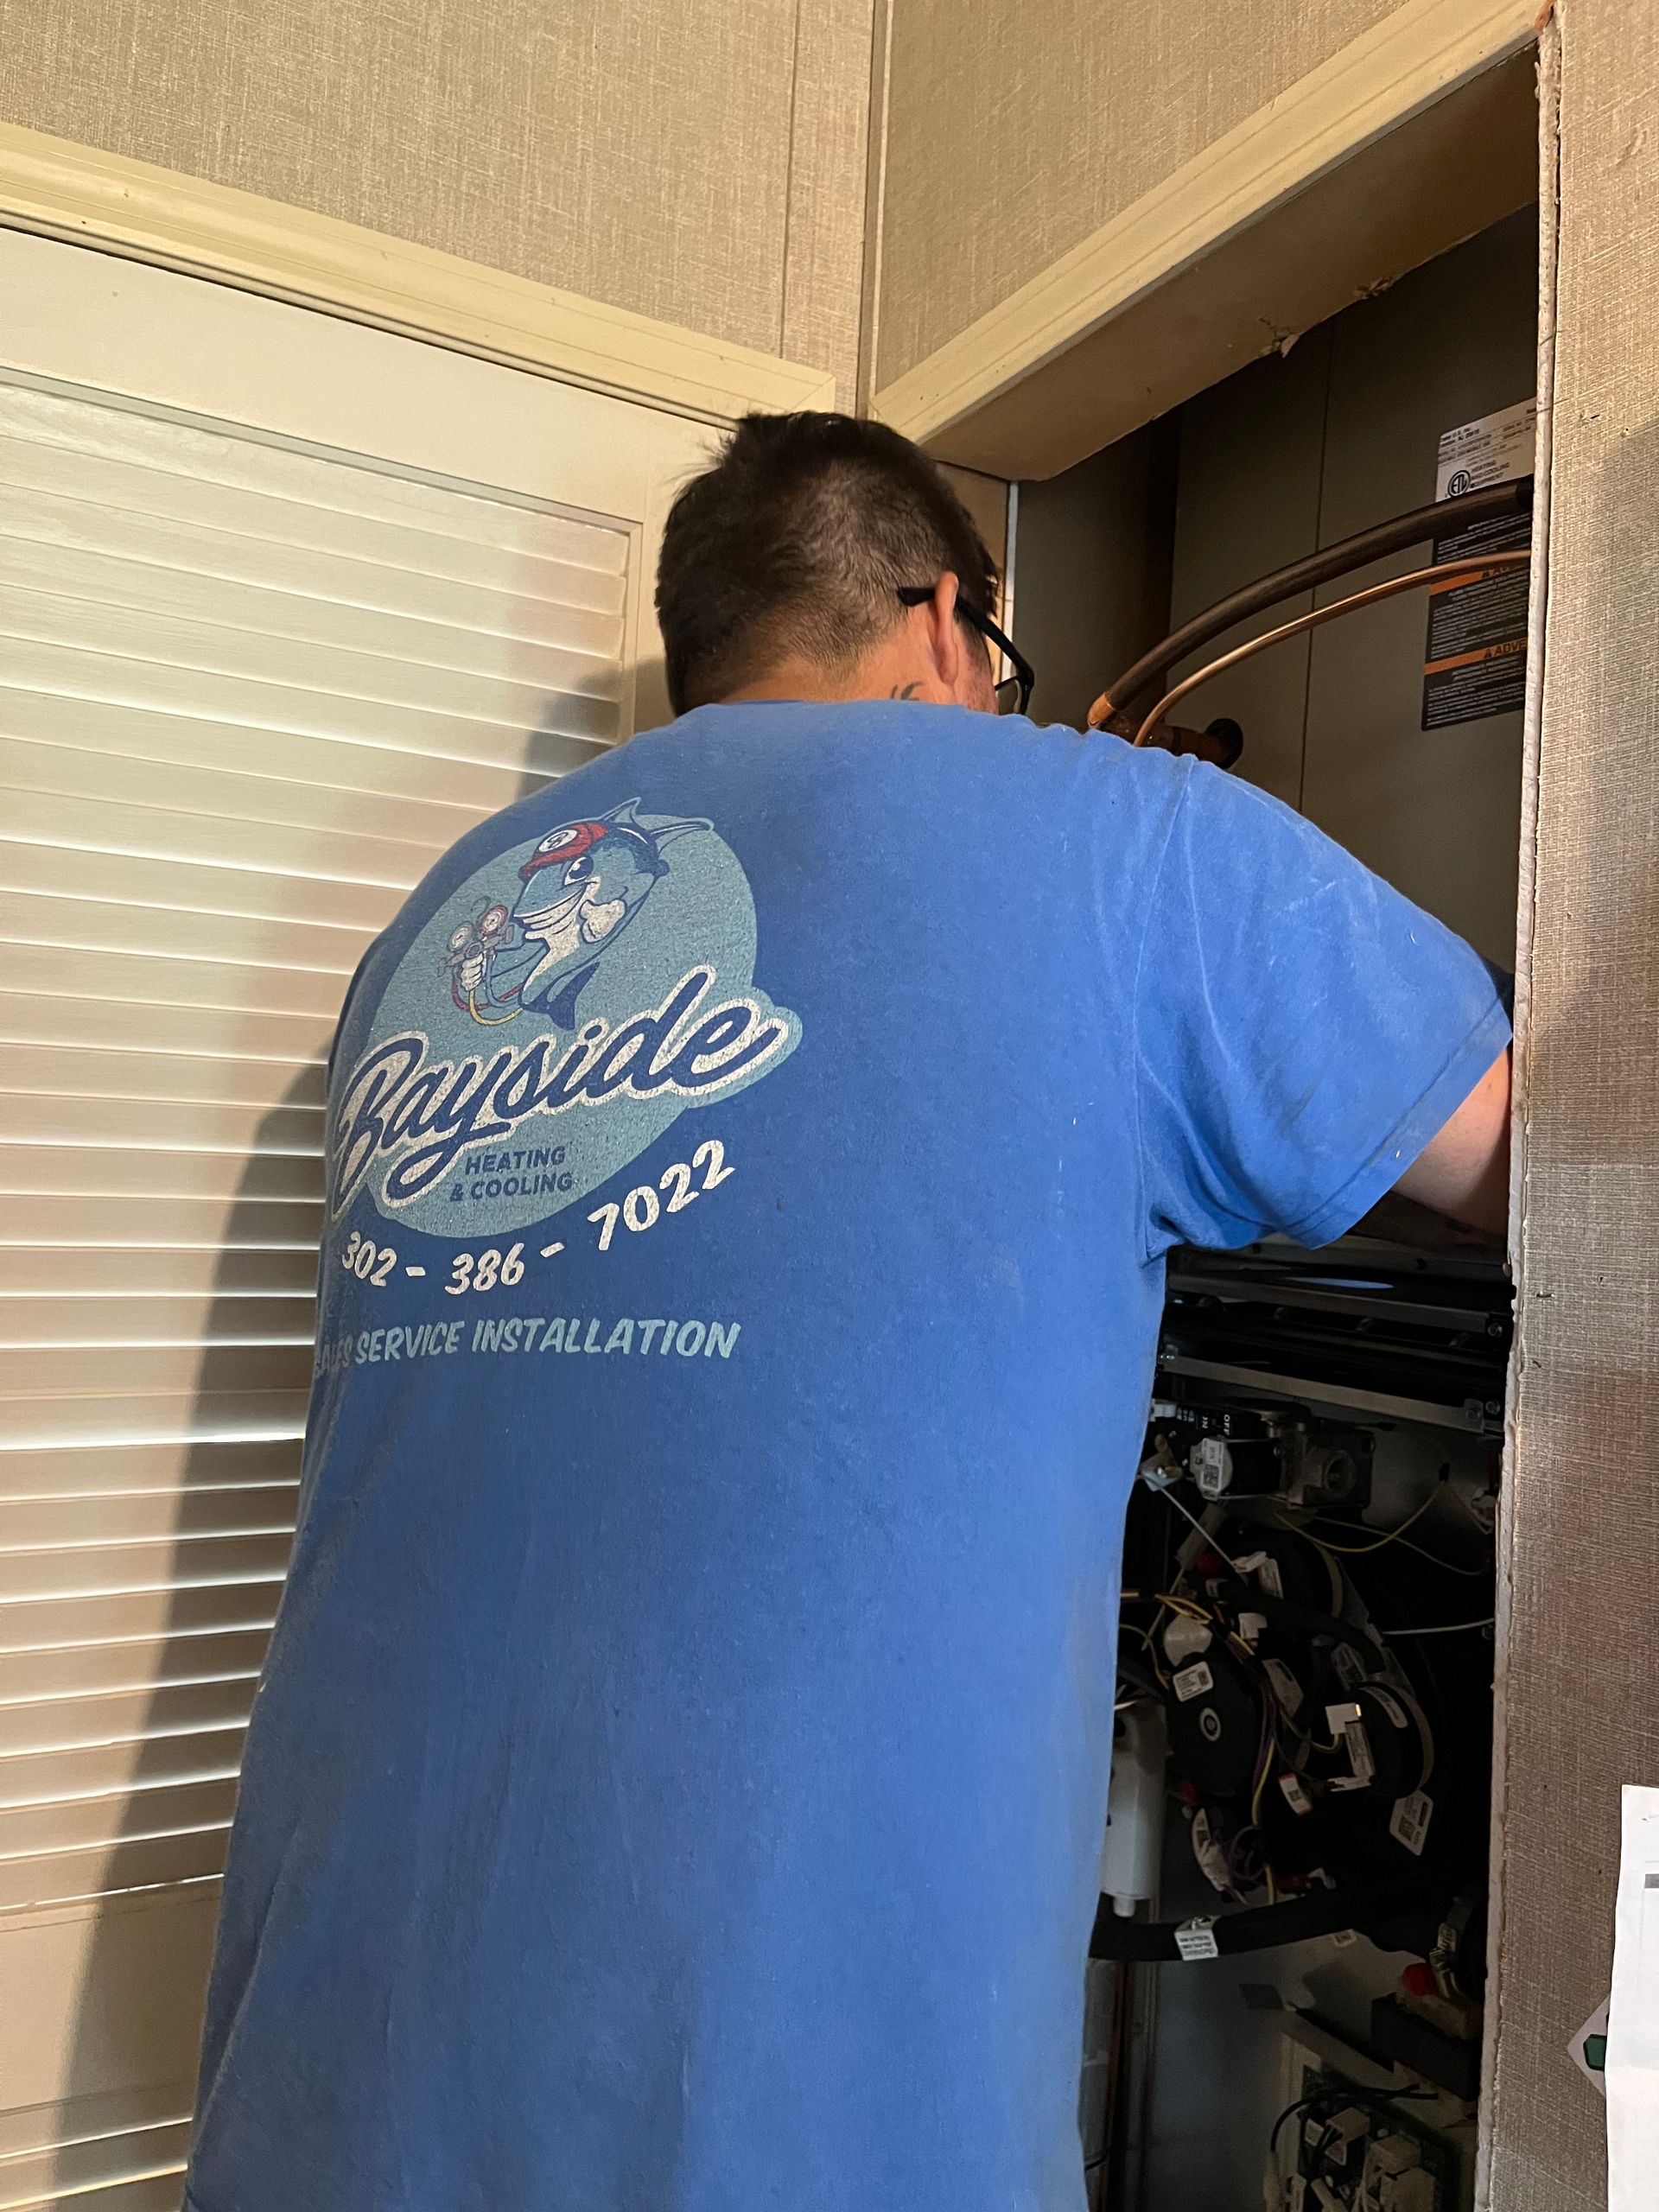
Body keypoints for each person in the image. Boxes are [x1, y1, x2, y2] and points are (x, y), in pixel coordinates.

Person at [185, 413, 1510, 2212]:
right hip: (779, 2134)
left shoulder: (447, 920)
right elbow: (1543, 1173)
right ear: (947, 621)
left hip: (315, 2088)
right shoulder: (1118, 838)